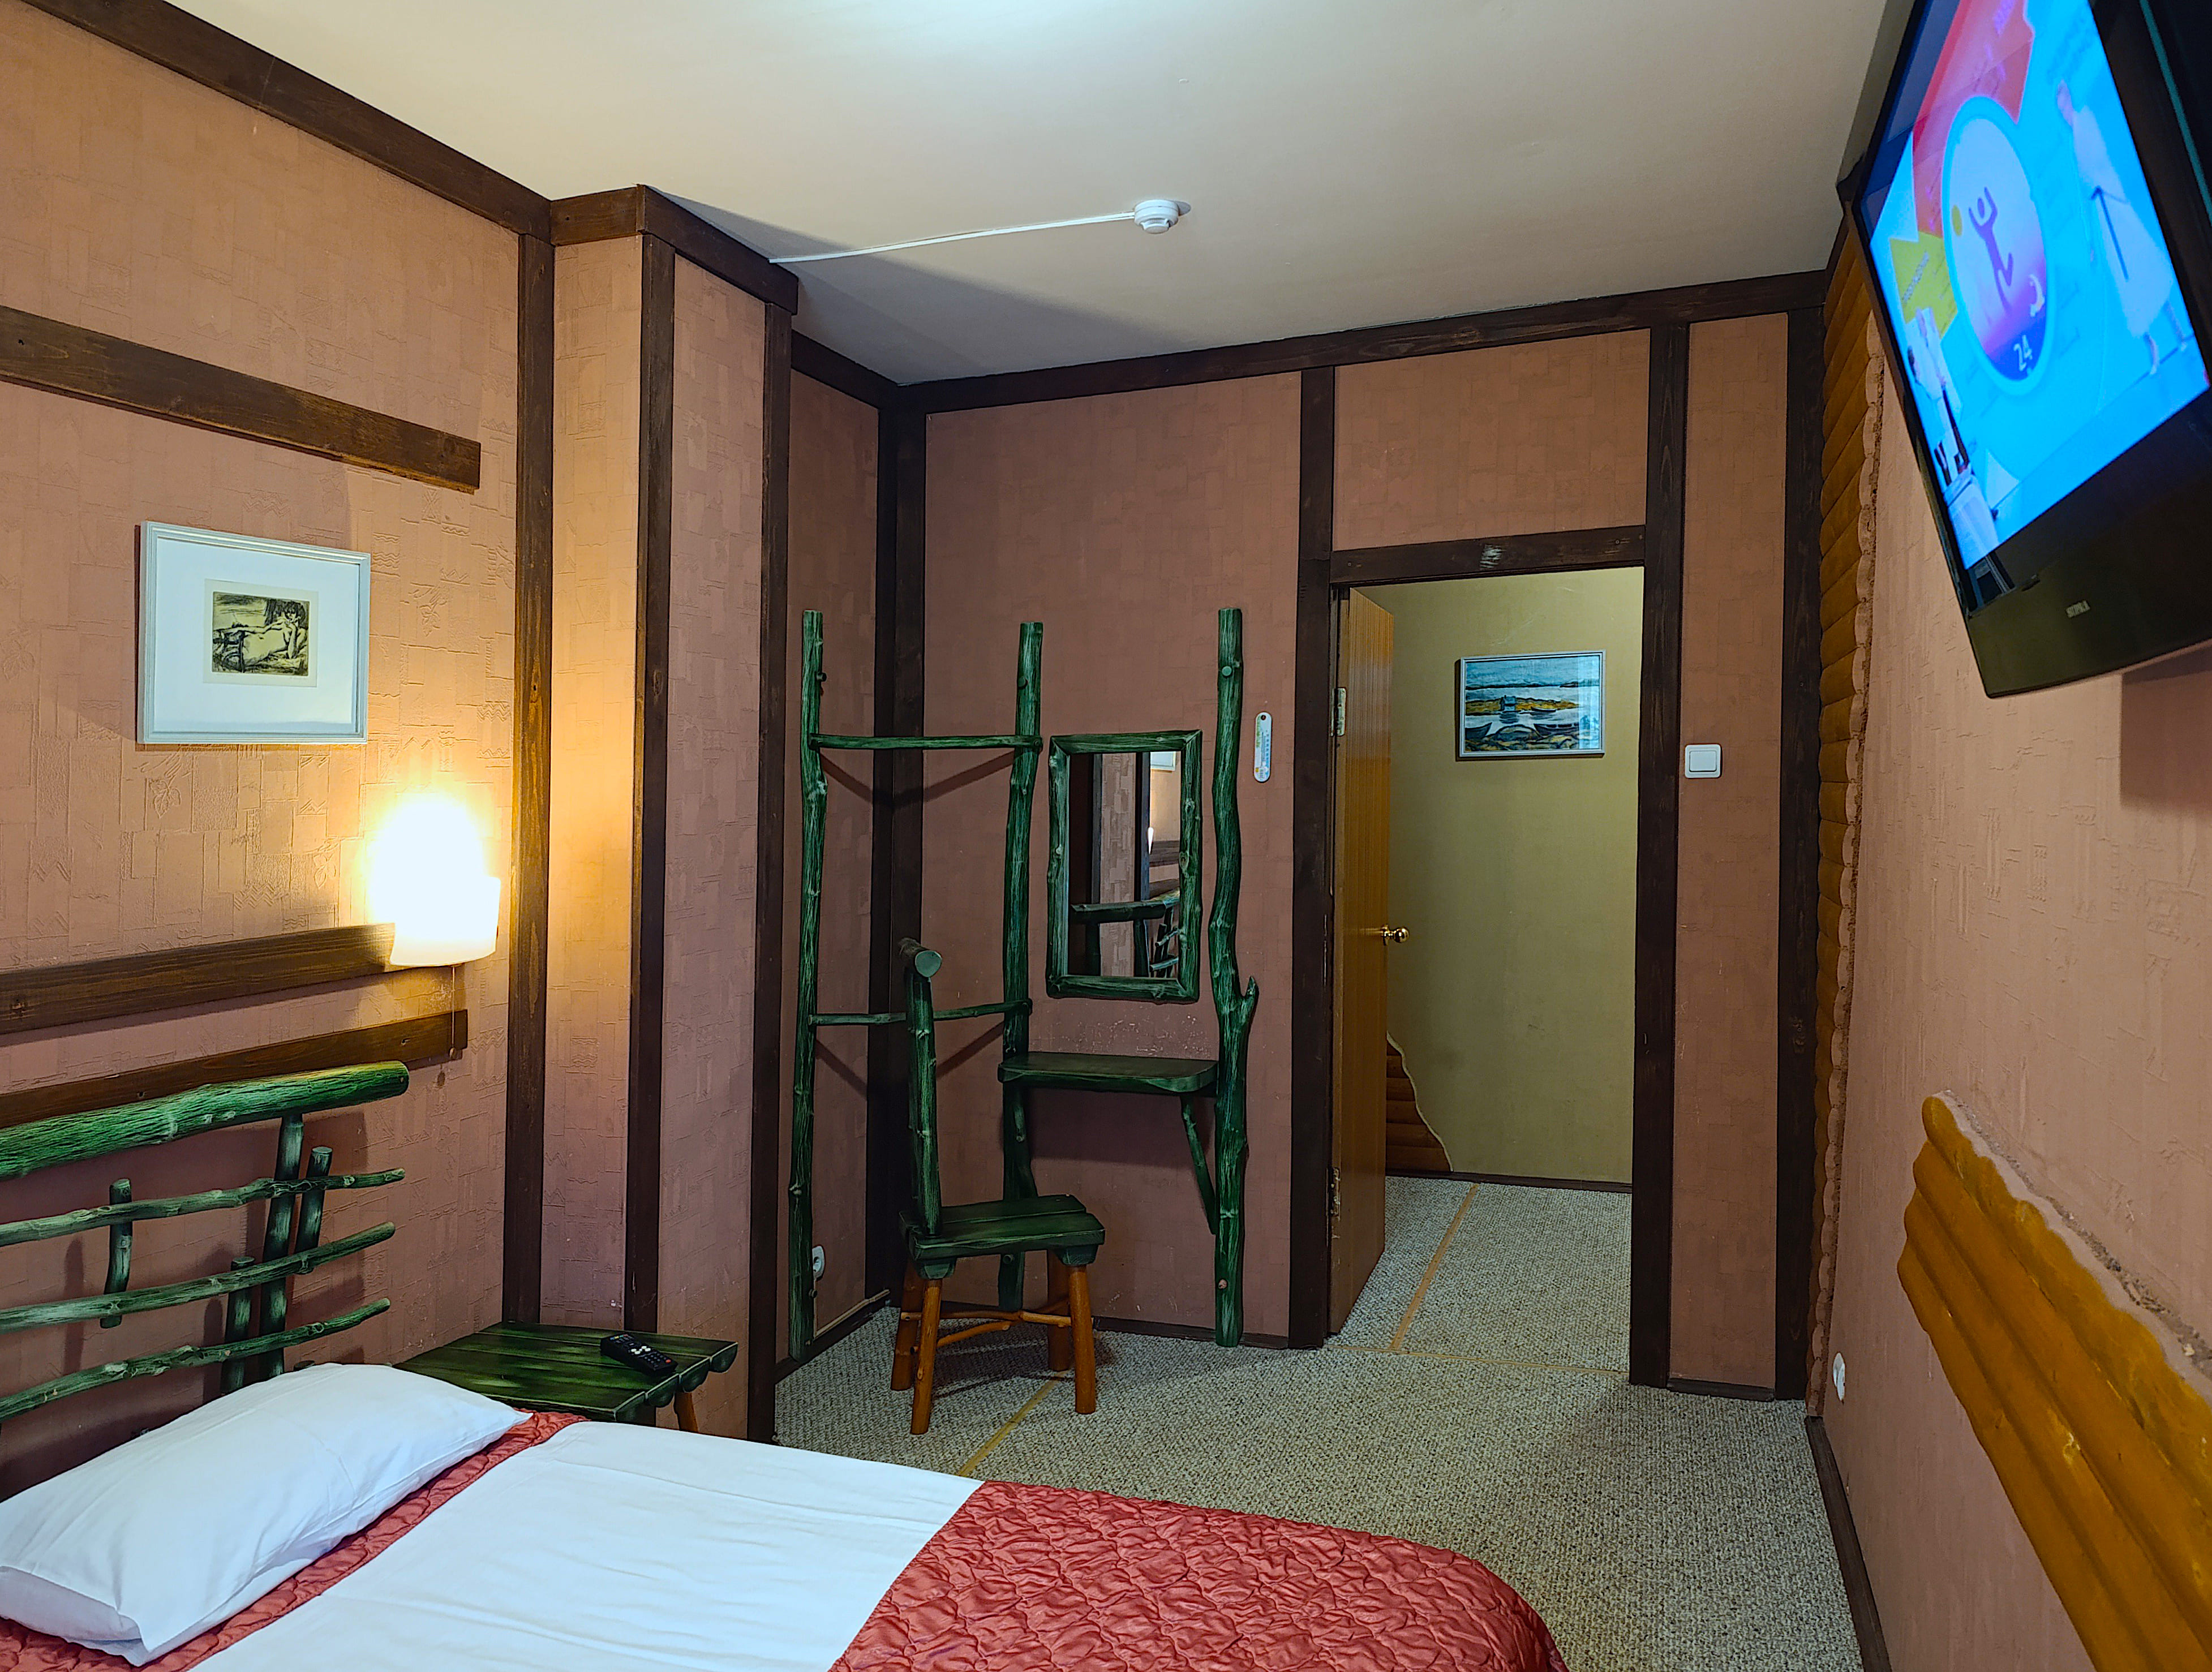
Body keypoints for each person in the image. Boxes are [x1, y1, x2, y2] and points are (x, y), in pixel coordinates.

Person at [2058, 79, 2188, 373]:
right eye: (2060, 110)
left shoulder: (2087, 120)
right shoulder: (2071, 144)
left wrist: (2112, 193)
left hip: (2116, 202)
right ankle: (2150, 345)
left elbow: (2103, 159)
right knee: (2124, 279)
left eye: (2065, 105)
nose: (2064, 113)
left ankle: (2178, 330)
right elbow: (2082, 194)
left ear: (2070, 100)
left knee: (2144, 261)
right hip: (2103, 215)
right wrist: (2091, 242)